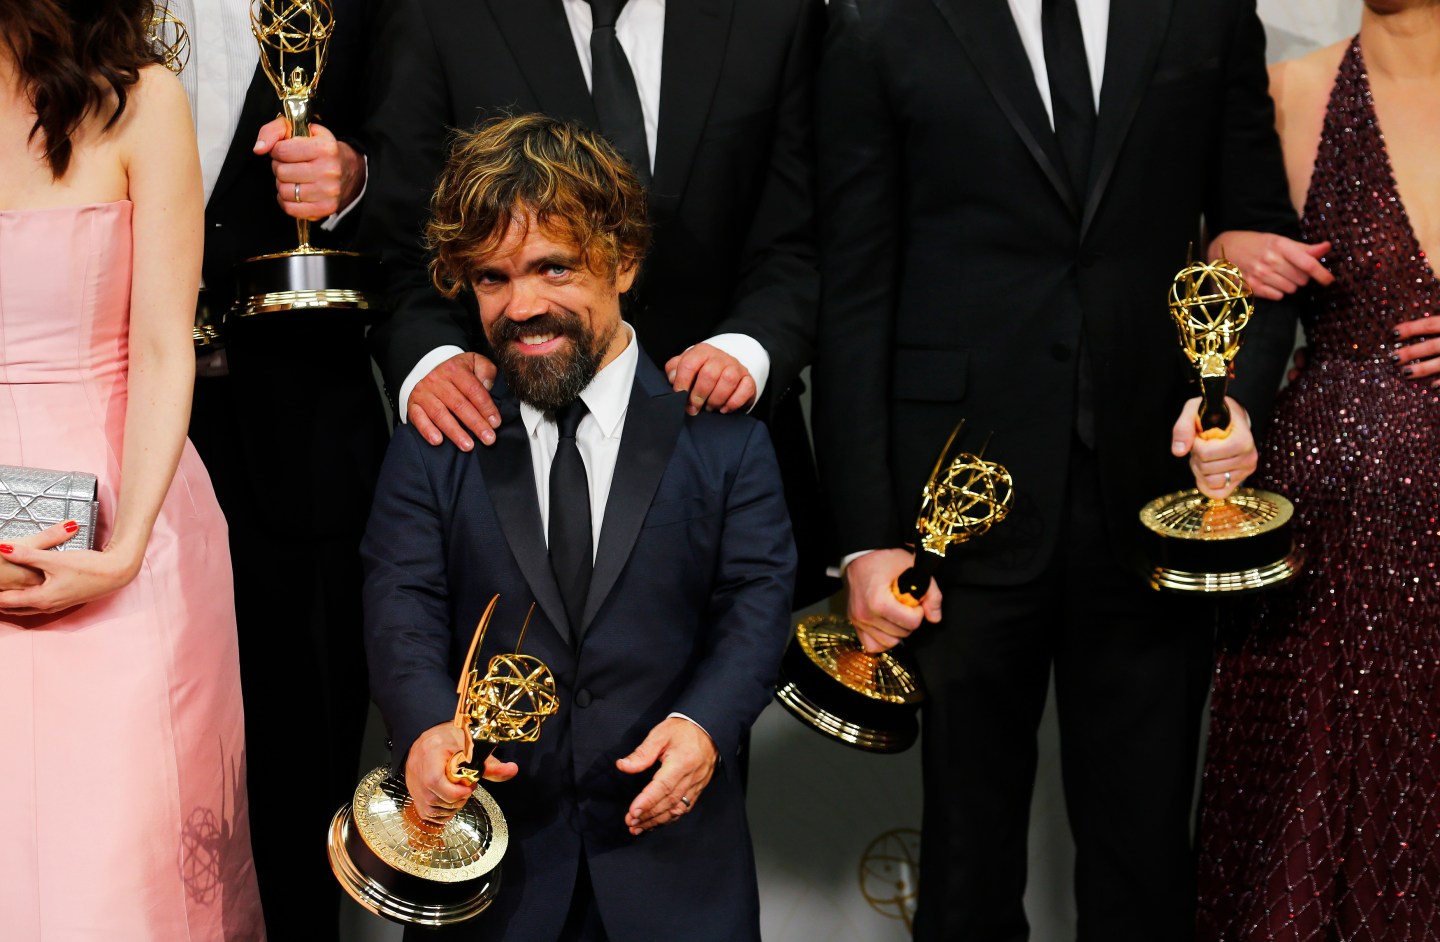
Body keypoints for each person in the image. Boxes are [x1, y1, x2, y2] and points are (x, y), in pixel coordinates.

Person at [812, 0, 1314, 938]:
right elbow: (856, 285)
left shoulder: (1204, 14)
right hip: (954, 505)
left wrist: (1234, 395)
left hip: (1157, 496)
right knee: (965, 862)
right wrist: (866, 538)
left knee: (1145, 856)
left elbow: (1257, 241)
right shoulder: (880, 24)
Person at [362, 114, 796, 941]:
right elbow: (400, 599)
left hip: (678, 877)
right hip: (490, 881)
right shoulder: (440, 437)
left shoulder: (720, 434)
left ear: (623, 261)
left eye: (552, 268)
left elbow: (757, 597)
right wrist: (422, 729)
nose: (522, 306)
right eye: (491, 278)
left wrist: (705, 726)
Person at [361, 0, 834, 605]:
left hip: (728, 458)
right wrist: (429, 362)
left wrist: (747, 347)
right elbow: (402, 240)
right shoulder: (436, 15)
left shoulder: (777, 13)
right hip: (501, 459)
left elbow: (806, 237)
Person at [0, 2, 264, 938]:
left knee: (119, 880)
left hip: (131, 524)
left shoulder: (143, 101)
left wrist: (125, 552)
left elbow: (161, 346)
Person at [1197, 2, 1440, 937]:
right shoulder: (1290, 88)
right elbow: (1208, 254)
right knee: (1301, 793)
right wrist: (1225, 250)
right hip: (1323, 512)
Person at [169, 2, 387, 937]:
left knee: (301, 800)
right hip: (102, 434)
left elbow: (449, 152)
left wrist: (358, 177)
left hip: (301, 446)